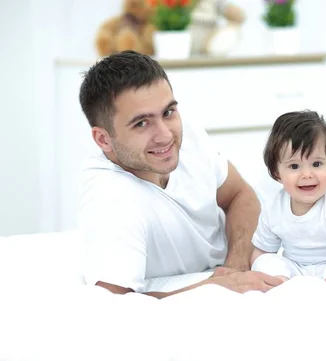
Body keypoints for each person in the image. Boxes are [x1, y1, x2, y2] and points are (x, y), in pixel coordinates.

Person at [77, 50, 283, 298]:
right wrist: (215, 289)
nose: (165, 135)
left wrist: (235, 266)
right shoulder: (110, 200)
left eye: (168, 112)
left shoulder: (189, 137)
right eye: (141, 123)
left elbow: (239, 194)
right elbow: (115, 304)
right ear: (103, 139)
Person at [250, 110, 326, 288]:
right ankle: (281, 282)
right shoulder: (274, 207)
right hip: (295, 267)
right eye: (294, 166)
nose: (307, 174)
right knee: (265, 261)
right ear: (277, 173)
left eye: (316, 164)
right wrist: (261, 270)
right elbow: (262, 250)